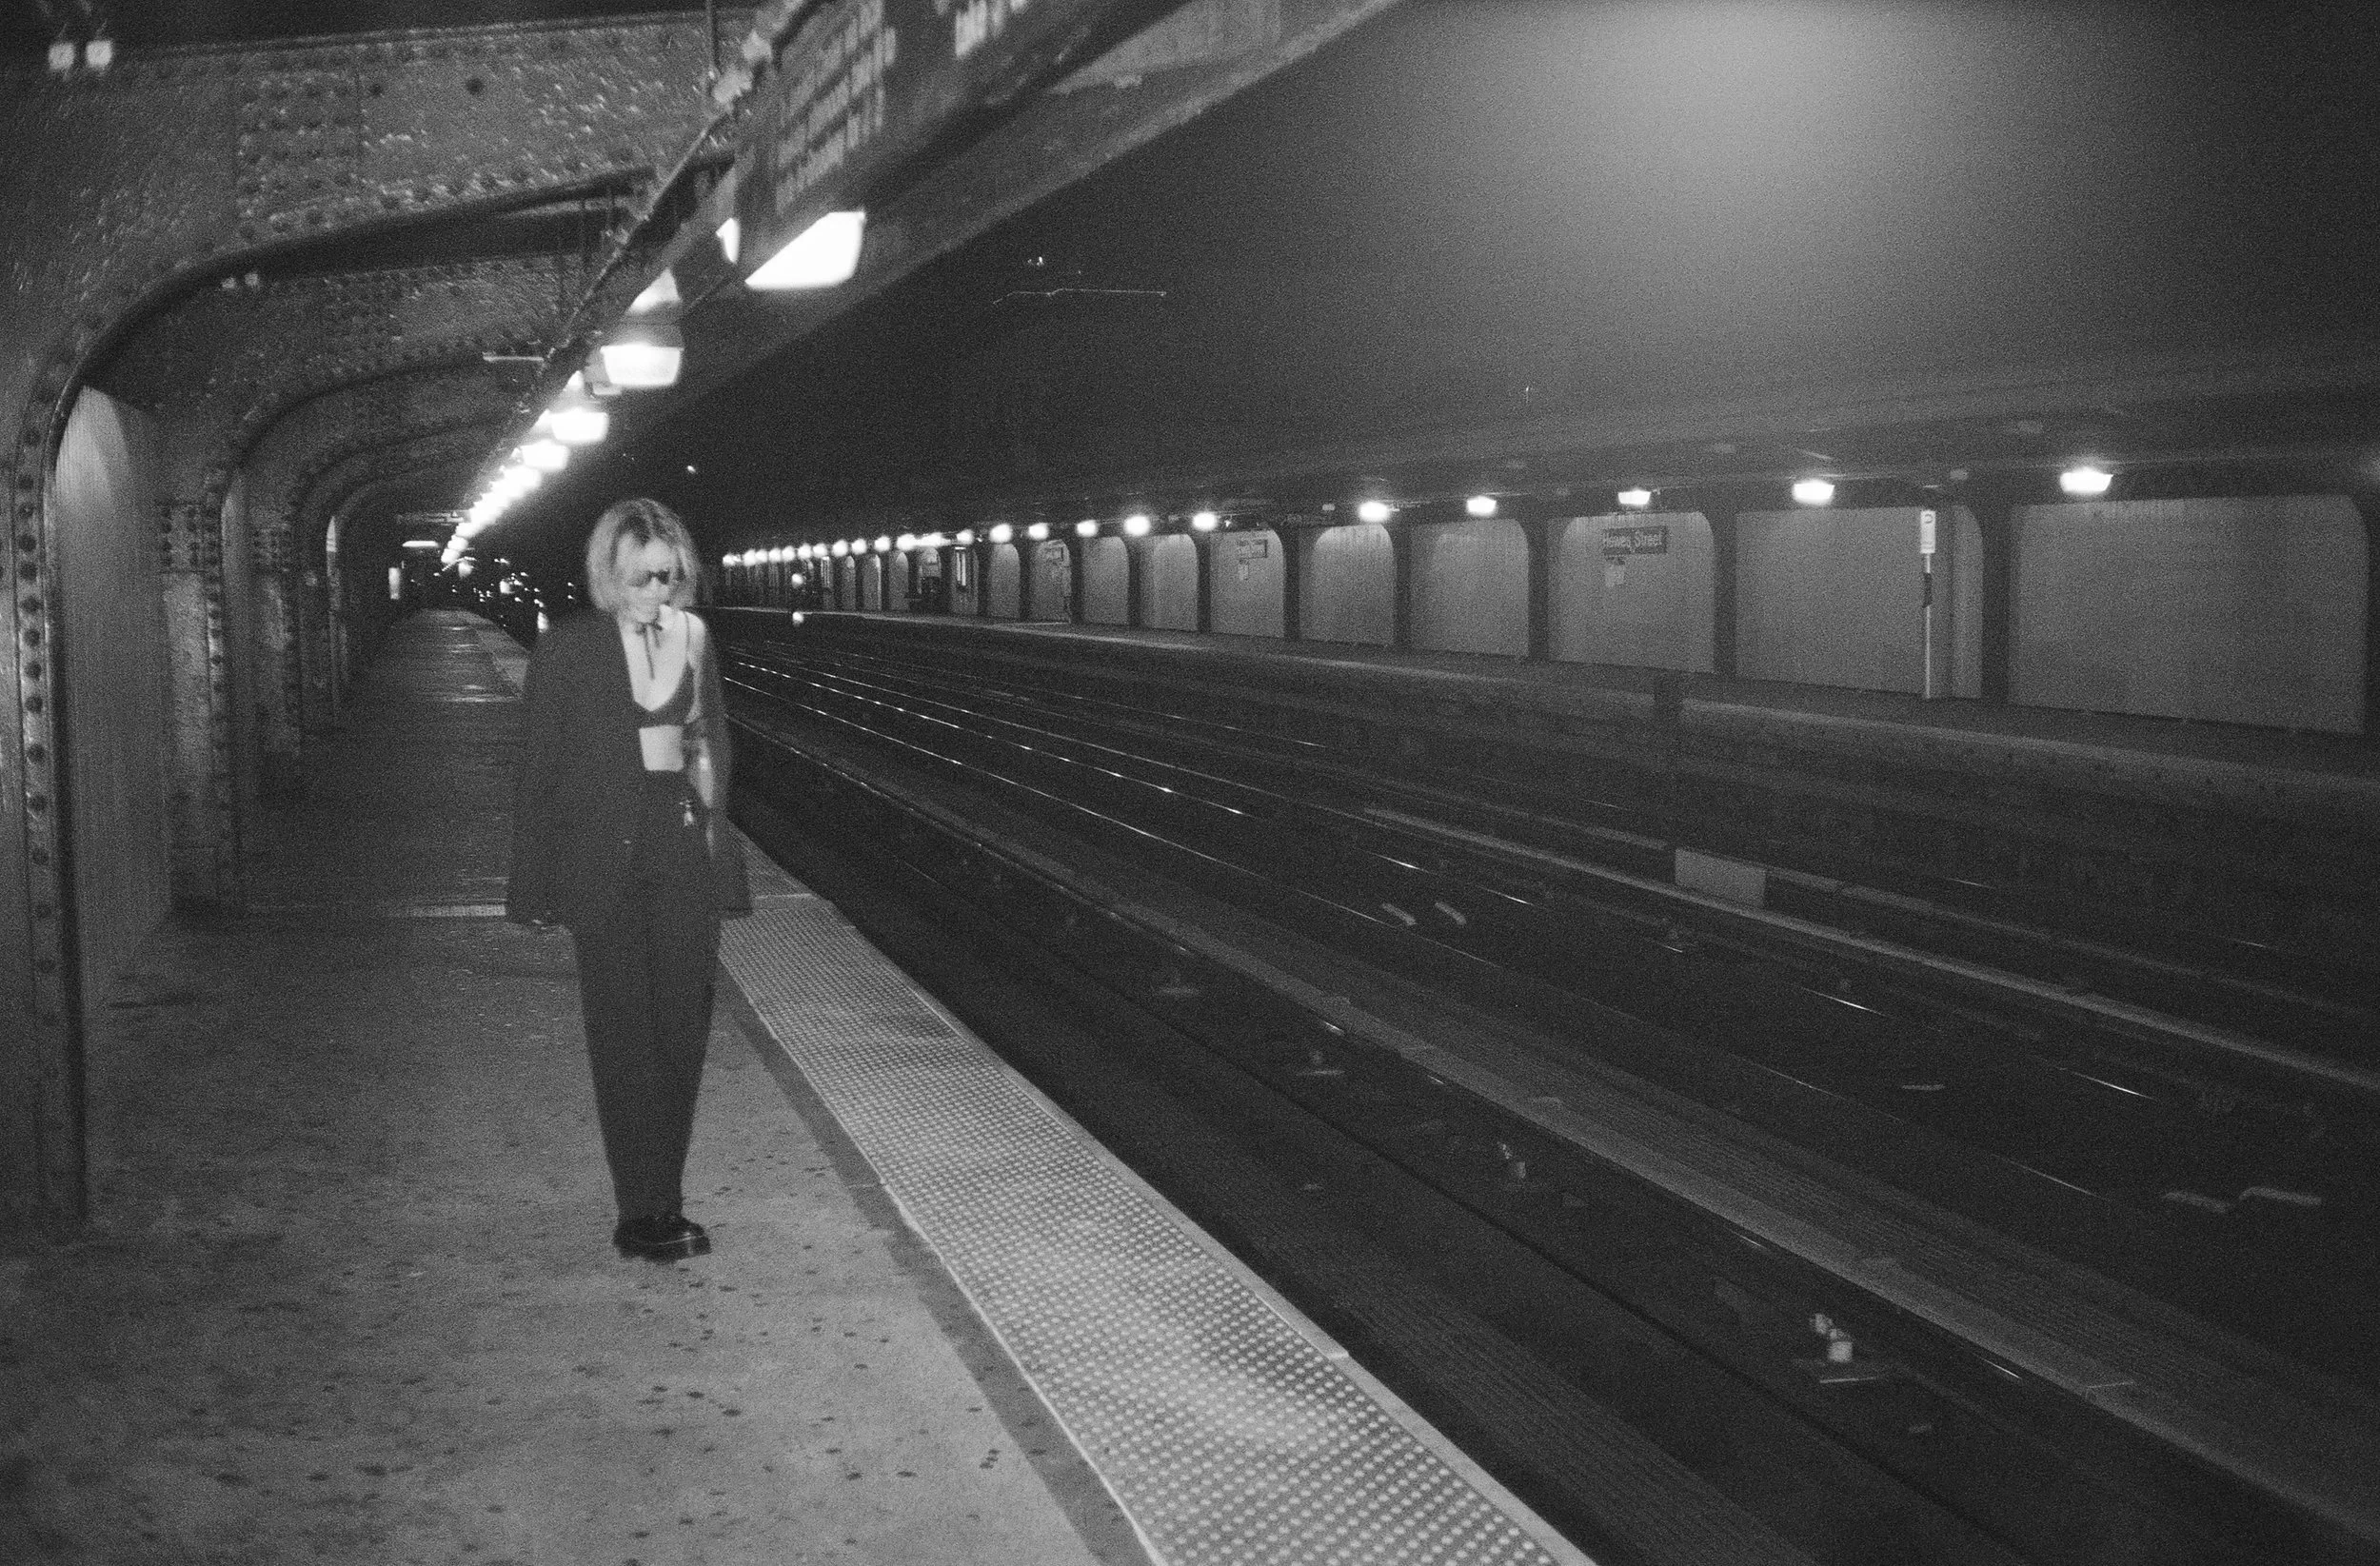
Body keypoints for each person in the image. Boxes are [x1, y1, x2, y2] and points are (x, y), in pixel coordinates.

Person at [506, 498, 749, 1262]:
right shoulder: (570, 648)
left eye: (670, 578)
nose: (657, 594)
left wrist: (717, 846)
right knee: (624, 1038)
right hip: (602, 860)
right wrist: (535, 882)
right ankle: (639, 1209)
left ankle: (665, 1198)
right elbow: (538, 771)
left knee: (681, 1033)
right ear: (611, 573)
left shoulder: (694, 638)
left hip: (678, 850)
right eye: (643, 579)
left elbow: (711, 740)